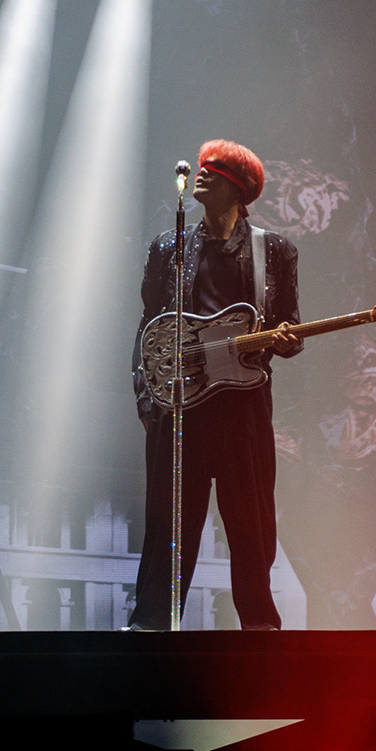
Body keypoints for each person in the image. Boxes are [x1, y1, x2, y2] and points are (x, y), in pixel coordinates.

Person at [135, 139, 302, 631]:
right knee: (169, 520)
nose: (202, 172)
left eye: (216, 169)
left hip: (243, 405)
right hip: (180, 403)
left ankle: (259, 624)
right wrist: (147, 397)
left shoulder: (275, 250)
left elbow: (291, 327)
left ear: (240, 187)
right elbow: (149, 325)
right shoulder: (168, 246)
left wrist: (285, 340)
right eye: (202, 166)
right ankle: (151, 624)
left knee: (251, 522)